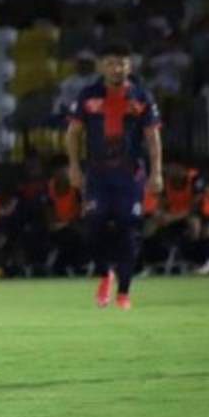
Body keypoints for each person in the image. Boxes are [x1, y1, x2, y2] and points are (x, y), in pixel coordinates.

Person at [66, 40, 163, 309]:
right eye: (110, 63)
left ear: (129, 66)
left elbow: (152, 137)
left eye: (121, 63)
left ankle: (124, 292)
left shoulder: (141, 97)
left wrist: (156, 172)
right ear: (101, 66)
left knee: (128, 230)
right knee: (93, 226)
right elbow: (73, 134)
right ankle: (104, 274)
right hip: (97, 174)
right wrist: (74, 166)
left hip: (129, 174)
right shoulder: (88, 95)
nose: (116, 68)